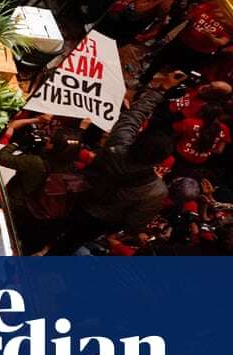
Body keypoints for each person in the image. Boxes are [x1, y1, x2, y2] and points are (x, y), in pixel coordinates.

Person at [50, 71, 183, 254]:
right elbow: (134, 224)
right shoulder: (155, 191)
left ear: (138, 140)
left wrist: (161, 89)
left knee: (50, 225)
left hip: (78, 193)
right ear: (159, 160)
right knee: (67, 245)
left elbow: (133, 116)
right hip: (98, 220)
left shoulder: (118, 144)